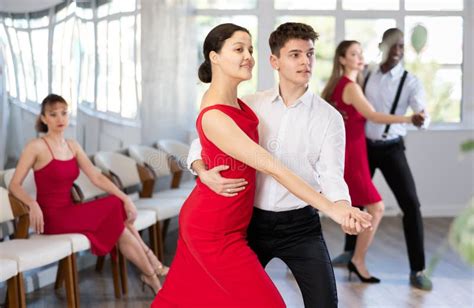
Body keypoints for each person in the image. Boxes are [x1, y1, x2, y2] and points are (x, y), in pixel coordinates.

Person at [183, 23, 372, 308]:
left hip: (301, 226)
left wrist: (342, 207)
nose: (305, 61)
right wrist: (201, 170)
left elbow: (332, 174)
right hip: (250, 224)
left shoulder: (329, 118)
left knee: (324, 303)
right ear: (275, 61)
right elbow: (202, 141)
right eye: (295, 54)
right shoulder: (249, 105)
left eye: (310, 54)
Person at [8, 94, 167, 294]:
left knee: (118, 220)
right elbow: (14, 184)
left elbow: (97, 177)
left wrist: (125, 198)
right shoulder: (36, 146)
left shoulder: (73, 146)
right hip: (52, 218)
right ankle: (152, 264)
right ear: (43, 118)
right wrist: (32, 203)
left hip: (70, 210)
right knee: (113, 206)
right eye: (53, 114)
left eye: (64, 113)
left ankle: (152, 278)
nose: (60, 119)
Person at [331, 28, 433, 291]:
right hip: (363, 146)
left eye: (402, 46)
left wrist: (420, 119)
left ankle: (418, 269)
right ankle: (350, 252)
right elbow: (352, 107)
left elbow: (422, 112)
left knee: (410, 204)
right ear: (382, 46)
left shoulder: (410, 81)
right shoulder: (367, 74)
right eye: (393, 45)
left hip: (390, 148)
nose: (398, 50)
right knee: (354, 199)